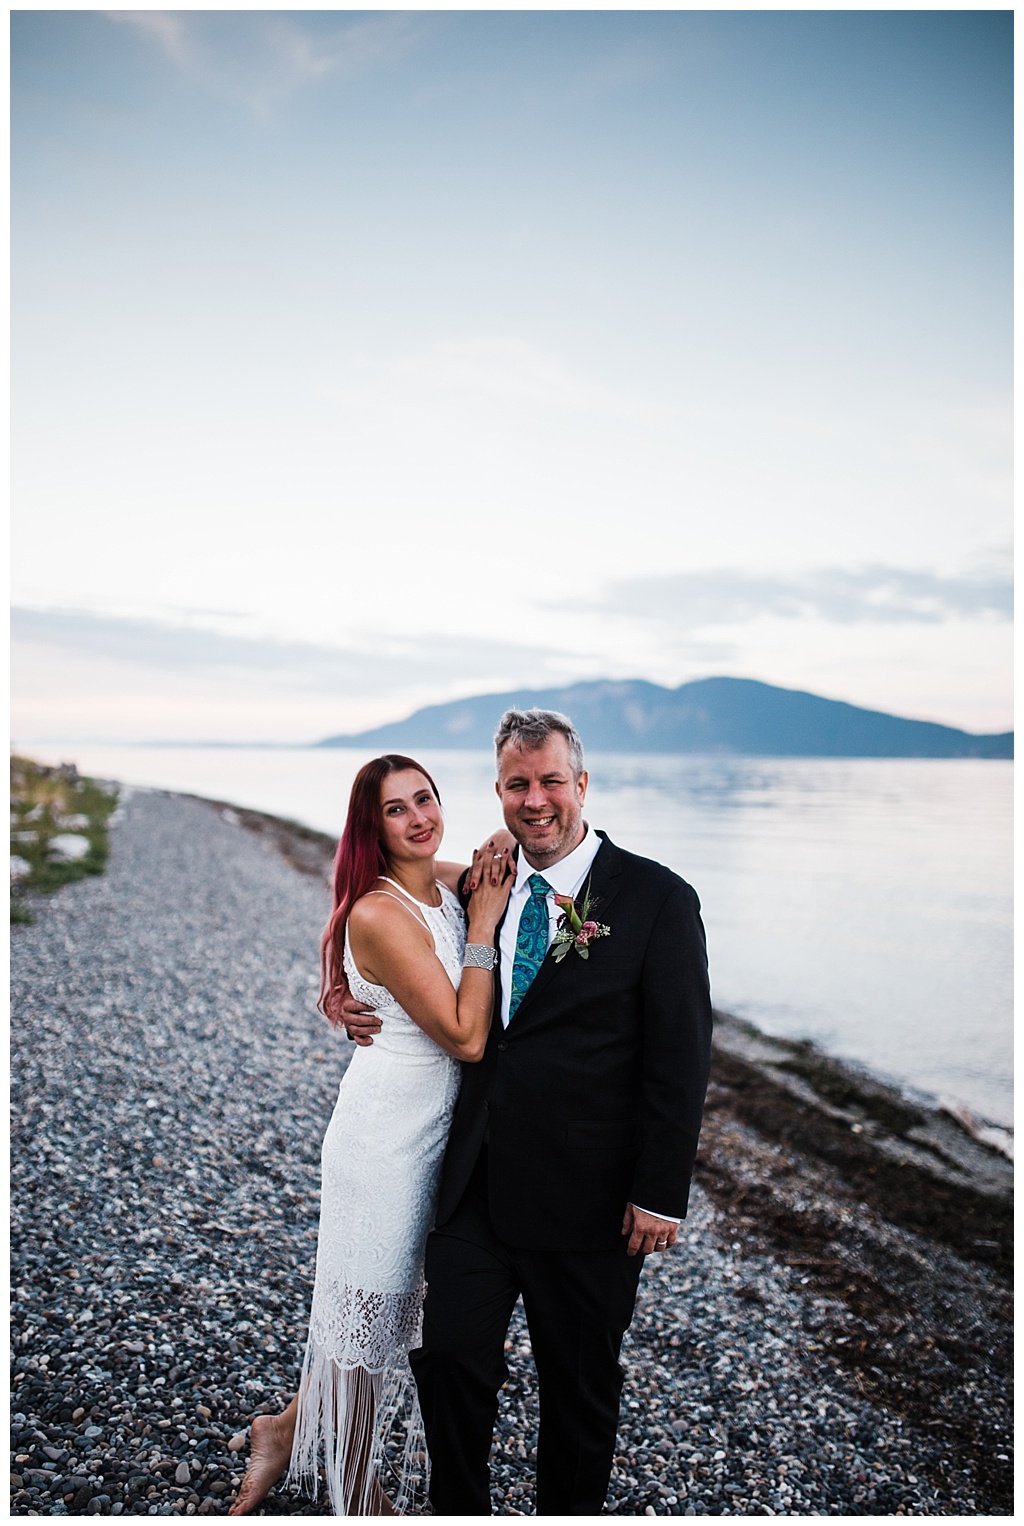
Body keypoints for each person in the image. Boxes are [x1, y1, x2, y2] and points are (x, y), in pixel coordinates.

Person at [343, 709, 713, 1516]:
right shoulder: (484, 882)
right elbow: (377, 910)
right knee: (448, 1359)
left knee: (578, 1387)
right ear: (500, 791)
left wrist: (660, 1191)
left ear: (581, 784)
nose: (535, 799)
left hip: (591, 1200)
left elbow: (680, 1059)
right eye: (518, 784)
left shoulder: (656, 898)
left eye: (551, 781)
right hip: (474, 1177)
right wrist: (346, 989)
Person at [229, 753, 515, 1516]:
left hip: (435, 1141)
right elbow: (464, 1036)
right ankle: (357, 1494)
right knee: (362, 1323)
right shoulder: (381, 911)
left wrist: (493, 857)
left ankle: (284, 1431)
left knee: (381, 1316)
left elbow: (507, 851)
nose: (420, 817)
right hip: (384, 1142)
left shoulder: (440, 884)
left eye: (426, 798)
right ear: (372, 826)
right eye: (397, 809)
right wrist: (484, 927)